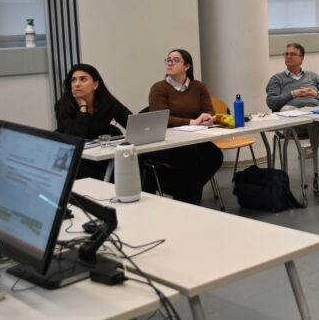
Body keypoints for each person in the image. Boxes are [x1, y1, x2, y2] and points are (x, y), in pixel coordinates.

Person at [146, 49, 224, 205]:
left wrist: (208, 118)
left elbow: (209, 110)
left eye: (175, 60)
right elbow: (162, 117)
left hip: (192, 138)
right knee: (187, 161)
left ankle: (186, 195)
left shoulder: (198, 87)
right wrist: (191, 122)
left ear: (187, 66)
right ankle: (188, 199)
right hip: (166, 142)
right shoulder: (159, 88)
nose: (170, 63)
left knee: (214, 156)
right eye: (168, 60)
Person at [55, 63, 131, 180]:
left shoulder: (107, 101)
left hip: (102, 153)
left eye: (83, 79)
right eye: (73, 80)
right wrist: (83, 107)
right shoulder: (63, 105)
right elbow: (77, 138)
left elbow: (130, 123)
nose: (77, 84)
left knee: (133, 159)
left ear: (95, 84)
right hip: (76, 157)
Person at [266, 42, 319, 147]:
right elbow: (271, 102)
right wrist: (293, 94)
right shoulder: (277, 79)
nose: (288, 56)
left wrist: (316, 94)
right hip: (293, 123)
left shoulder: (313, 76)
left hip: (314, 113)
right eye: (286, 54)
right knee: (286, 110)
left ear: (301, 58)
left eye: (292, 54)